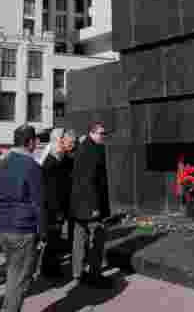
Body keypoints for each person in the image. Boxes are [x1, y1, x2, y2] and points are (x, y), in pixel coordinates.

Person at [0, 124, 45, 312]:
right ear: (30, 142)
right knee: (20, 280)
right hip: (23, 228)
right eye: (36, 140)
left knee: (12, 274)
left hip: (4, 226)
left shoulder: (3, 162)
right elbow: (38, 202)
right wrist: (42, 232)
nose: (37, 143)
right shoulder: (31, 165)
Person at [70, 121, 111, 287]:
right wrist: (95, 207)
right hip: (90, 204)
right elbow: (88, 181)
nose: (103, 136)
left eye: (104, 133)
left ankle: (77, 273)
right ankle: (95, 275)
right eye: (101, 133)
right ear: (92, 133)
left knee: (79, 239)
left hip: (78, 204)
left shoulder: (83, 146)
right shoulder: (91, 150)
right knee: (98, 237)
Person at [41, 128, 76, 280]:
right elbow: (50, 190)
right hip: (53, 208)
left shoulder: (62, 159)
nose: (68, 144)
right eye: (65, 141)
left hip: (58, 206)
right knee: (52, 239)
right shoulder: (51, 163)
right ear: (58, 142)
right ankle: (49, 269)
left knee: (54, 238)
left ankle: (51, 267)